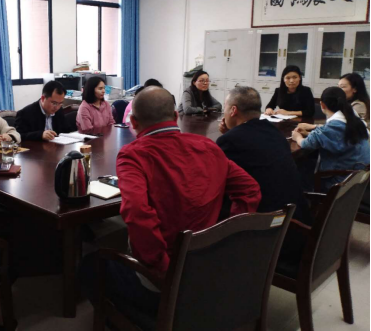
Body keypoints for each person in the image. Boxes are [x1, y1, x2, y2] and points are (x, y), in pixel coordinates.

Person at [80, 87, 261, 319]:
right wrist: (225, 239)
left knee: (90, 264)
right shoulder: (208, 146)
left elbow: (137, 212)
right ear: (175, 116)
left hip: (165, 283)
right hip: (209, 264)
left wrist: (165, 270)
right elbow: (250, 190)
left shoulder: (133, 155)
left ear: (133, 122)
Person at [217, 86, 311, 224]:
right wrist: (231, 133)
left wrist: (229, 135)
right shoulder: (274, 131)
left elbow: (218, 180)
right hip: (297, 215)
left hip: (269, 224)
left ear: (233, 110)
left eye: (225, 107)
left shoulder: (230, 141)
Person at [292, 87, 369, 191]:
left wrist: (297, 137)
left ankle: (306, 198)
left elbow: (307, 144)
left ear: (322, 105)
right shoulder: (352, 117)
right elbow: (337, 134)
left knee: (299, 168)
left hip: (341, 180)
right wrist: (313, 130)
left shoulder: (334, 126)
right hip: (358, 175)